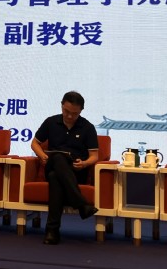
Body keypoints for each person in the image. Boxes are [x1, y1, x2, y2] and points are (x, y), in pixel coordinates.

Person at [31, 90, 99, 245]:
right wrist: (42, 155)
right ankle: (81, 204)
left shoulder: (87, 127)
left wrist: (84, 163)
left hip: (76, 171)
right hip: (52, 163)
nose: (69, 116)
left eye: (74, 114)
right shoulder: (51, 122)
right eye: (66, 111)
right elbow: (35, 143)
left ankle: (52, 231)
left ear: (81, 111)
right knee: (58, 157)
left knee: (55, 178)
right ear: (61, 105)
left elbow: (94, 156)